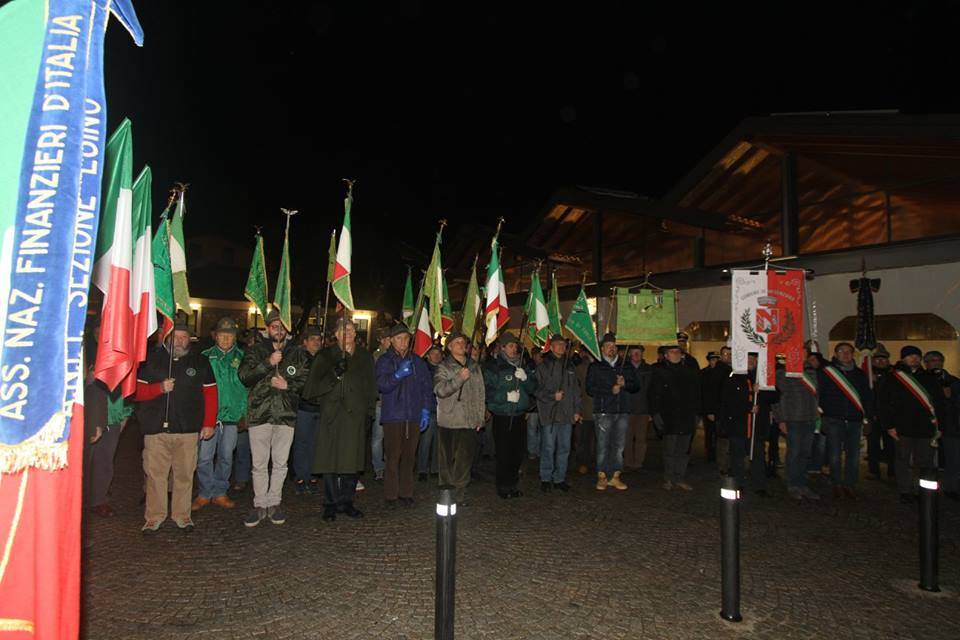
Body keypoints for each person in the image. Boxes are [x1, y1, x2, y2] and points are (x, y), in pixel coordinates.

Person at [135, 322, 217, 533]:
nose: (180, 341)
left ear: (190, 339)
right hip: (156, 429)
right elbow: (137, 392)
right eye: (176, 336)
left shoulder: (200, 361)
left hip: (188, 429)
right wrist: (159, 388)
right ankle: (154, 516)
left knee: (184, 475)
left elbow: (210, 393)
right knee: (156, 475)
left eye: (184, 337)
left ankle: (182, 514)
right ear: (168, 338)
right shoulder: (150, 360)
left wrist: (208, 423)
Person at [238, 310, 310, 527]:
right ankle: (260, 503)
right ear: (267, 329)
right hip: (260, 414)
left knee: (280, 463)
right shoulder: (255, 351)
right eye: (274, 326)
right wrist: (268, 362)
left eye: (282, 327)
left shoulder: (297, 353)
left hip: (286, 415)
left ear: (287, 329)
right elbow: (244, 377)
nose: (278, 330)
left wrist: (288, 386)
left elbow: (305, 381)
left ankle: (274, 502)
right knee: (259, 463)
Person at [303, 318, 377, 521]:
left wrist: (369, 413)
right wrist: (333, 375)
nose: (349, 333)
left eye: (352, 330)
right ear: (336, 334)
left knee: (351, 462)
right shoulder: (325, 356)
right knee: (330, 461)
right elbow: (310, 390)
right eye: (344, 330)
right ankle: (330, 503)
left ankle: (347, 501)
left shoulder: (365, 357)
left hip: (356, 418)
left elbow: (371, 387)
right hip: (332, 417)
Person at [375, 324, 433, 507]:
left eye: (406, 338)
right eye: (399, 338)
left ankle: (406, 492)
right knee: (393, 456)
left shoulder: (417, 361)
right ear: (391, 340)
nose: (403, 342)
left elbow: (426, 387)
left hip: (413, 415)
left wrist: (425, 409)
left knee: (409, 457)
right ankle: (391, 495)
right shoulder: (385, 361)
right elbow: (382, 385)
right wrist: (397, 375)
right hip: (394, 415)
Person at [880, 345, 946, 503]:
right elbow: (883, 403)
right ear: (903, 358)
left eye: (917, 356)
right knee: (902, 459)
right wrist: (889, 425)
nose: (914, 358)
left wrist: (940, 425)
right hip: (902, 427)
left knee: (924, 461)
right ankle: (904, 490)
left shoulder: (929, 378)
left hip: (925, 427)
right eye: (910, 356)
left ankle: (920, 490)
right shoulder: (893, 377)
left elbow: (939, 402)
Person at [195, 317, 247, 511]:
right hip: (209, 418)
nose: (226, 338)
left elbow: (247, 388)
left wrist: (244, 414)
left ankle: (220, 492)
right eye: (222, 334)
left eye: (230, 335)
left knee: (226, 456)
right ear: (215, 336)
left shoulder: (242, 358)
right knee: (204, 458)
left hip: (232, 417)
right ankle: (204, 492)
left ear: (235, 337)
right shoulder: (204, 356)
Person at [433, 332, 486, 503]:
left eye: (463, 342)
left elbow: (480, 393)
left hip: (468, 420)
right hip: (449, 420)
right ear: (449, 347)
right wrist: (459, 379)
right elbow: (440, 390)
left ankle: (460, 494)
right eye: (457, 342)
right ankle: (446, 494)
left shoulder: (474, 366)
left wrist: (480, 417)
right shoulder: (443, 367)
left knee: (464, 461)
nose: (461, 345)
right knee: (447, 461)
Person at [483, 332, 537, 498]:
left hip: (520, 415)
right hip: (503, 416)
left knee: (517, 453)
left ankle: (513, 484)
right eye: (511, 346)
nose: (515, 349)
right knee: (504, 453)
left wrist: (526, 378)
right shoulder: (493, 367)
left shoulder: (522, 365)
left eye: (516, 346)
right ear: (503, 347)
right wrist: (505, 397)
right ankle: (503, 486)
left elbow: (534, 389)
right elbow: (488, 394)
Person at [818, 342, 872, 500]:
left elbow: (867, 397)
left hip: (855, 420)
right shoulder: (827, 373)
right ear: (836, 354)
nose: (845, 354)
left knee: (853, 455)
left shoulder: (860, 374)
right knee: (834, 454)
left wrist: (868, 419)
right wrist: (824, 415)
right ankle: (836, 483)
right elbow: (820, 395)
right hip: (835, 418)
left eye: (849, 351)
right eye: (842, 351)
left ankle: (850, 484)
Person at [586, 333, 639, 491]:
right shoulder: (596, 366)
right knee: (603, 445)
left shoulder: (626, 366)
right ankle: (602, 475)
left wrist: (625, 384)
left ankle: (615, 475)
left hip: (622, 410)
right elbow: (590, 388)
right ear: (602, 348)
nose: (612, 349)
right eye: (608, 346)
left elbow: (636, 386)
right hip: (603, 411)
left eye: (614, 346)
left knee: (619, 446)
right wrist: (610, 390)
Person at [649, 344, 701, 490]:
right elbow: (654, 394)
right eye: (672, 352)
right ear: (666, 355)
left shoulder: (689, 371)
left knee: (683, 451)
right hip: (668, 417)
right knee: (669, 450)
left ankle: (680, 477)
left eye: (678, 352)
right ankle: (669, 478)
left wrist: (697, 413)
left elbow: (697, 394)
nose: (676, 354)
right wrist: (656, 414)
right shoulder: (659, 371)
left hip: (686, 417)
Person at [534, 334, 582, 492]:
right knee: (548, 447)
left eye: (563, 344)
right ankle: (546, 478)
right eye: (558, 344)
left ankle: (560, 477)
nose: (562, 347)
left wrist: (576, 410)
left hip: (567, 415)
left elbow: (575, 391)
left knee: (564, 448)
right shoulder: (543, 367)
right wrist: (552, 396)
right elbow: (537, 390)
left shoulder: (570, 367)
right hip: (550, 414)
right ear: (551, 346)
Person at [773, 349, 821, 501]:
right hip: (792, 418)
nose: (801, 355)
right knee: (794, 453)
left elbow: (817, 393)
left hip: (810, 418)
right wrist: (780, 419)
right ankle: (793, 484)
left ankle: (802, 484)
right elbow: (777, 398)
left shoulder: (812, 371)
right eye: (798, 352)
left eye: (804, 353)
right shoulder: (783, 372)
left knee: (805, 454)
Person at [291, 326, 324, 495]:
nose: (316, 342)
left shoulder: (324, 358)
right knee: (302, 443)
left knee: (315, 445)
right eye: (313, 339)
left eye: (318, 339)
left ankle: (312, 475)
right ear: (305, 342)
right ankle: (300, 476)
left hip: (320, 408)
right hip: (304, 408)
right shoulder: (299, 358)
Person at [866, 344, 895, 480]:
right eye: (877, 359)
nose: (880, 361)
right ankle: (874, 470)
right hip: (873, 415)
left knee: (891, 446)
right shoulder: (867, 374)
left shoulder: (894, 374)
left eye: (883, 359)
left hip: (890, 416)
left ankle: (892, 471)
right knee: (873, 445)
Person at [622, 345, 652, 471]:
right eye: (634, 352)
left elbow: (651, 390)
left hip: (643, 409)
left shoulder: (648, 369)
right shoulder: (624, 368)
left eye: (638, 352)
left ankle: (638, 462)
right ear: (629, 354)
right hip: (627, 409)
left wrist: (651, 410)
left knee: (641, 438)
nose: (636, 355)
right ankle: (627, 461)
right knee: (627, 438)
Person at [419, 345, 444, 481]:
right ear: (428, 355)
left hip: (442, 409)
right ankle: (422, 469)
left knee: (438, 441)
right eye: (433, 353)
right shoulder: (424, 369)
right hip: (429, 408)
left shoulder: (443, 368)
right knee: (426, 440)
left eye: (438, 353)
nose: (436, 356)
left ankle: (435, 467)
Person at [700, 350, 727, 465]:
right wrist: (708, 410)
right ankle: (710, 454)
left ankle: (717, 454)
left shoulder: (723, 373)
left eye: (716, 359)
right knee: (710, 433)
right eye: (712, 360)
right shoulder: (704, 373)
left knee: (719, 433)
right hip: (709, 408)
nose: (714, 362)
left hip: (720, 408)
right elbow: (705, 394)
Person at [371, 328, 391, 481]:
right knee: (378, 437)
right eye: (387, 339)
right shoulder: (377, 356)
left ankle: (388, 465)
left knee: (390, 437)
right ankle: (379, 467)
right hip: (380, 402)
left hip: (392, 402)